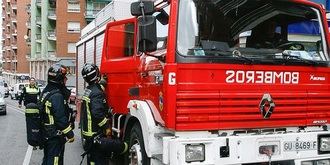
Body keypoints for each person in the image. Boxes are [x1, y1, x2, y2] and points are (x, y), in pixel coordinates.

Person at [81, 63, 127, 165]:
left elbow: (98, 87)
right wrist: (106, 126)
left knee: (92, 160)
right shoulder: (97, 93)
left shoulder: (89, 90)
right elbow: (97, 114)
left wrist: (103, 82)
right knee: (99, 160)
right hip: (95, 133)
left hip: (88, 134)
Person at [41, 64, 75, 165]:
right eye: (64, 77)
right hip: (54, 136)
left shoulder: (47, 91)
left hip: (47, 134)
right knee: (54, 161)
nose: (66, 79)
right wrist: (70, 134)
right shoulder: (57, 96)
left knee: (47, 159)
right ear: (59, 79)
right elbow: (60, 118)